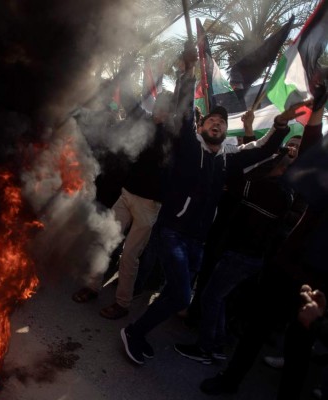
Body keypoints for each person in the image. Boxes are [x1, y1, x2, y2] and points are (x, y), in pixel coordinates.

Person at [119, 43, 306, 366]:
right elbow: (182, 112)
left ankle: (142, 326)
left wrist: (281, 125)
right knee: (182, 295)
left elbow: (261, 151)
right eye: (211, 121)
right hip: (173, 232)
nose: (217, 124)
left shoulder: (227, 161)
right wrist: (188, 73)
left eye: (221, 122)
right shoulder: (190, 148)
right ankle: (135, 332)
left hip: (197, 241)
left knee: (174, 292)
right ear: (201, 126)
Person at [199, 97, 327, 399]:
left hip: (318, 284)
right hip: (286, 265)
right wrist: (318, 108)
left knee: (298, 348)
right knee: (257, 328)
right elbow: (311, 153)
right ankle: (230, 379)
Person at [174, 112, 298, 363]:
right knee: (217, 296)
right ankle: (216, 344)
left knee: (212, 295)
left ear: (280, 168)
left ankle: (205, 347)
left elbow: (246, 170)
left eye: (273, 163)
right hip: (242, 250)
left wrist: (225, 170)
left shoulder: (271, 190)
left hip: (242, 253)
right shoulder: (277, 189)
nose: (268, 165)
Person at [72, 91, 175, 320]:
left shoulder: (172, 136)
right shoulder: (144, 124)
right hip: (126, 195)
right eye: (159, 105)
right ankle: (92, 286)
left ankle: (122, 303)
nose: (161, 110)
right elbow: (133, 105)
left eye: (167, 107)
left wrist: (186, 76)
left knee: (129, 256)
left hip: (148, 206)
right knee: (105, 242)